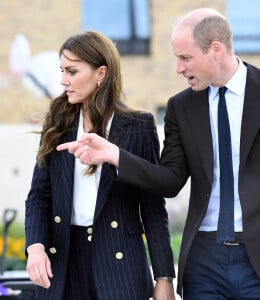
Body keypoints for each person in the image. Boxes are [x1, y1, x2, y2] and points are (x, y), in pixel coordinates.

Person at [57, 8, 260, 300]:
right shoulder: (181, 106)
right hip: (204, 261)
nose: (178, 68)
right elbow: (169, 180)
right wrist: (115, 155)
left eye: (185, 58)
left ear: (216, 49)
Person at [25, 31, 176, 300]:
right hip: (64, 260)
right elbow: (39, 196)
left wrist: (164, 277)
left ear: (101, 73)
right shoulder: (57, 124)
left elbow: (153, 208)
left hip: (121, 264)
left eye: (72, 71)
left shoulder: (138, 126)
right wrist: (35, 247)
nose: (63, 80)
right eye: (62, 70)